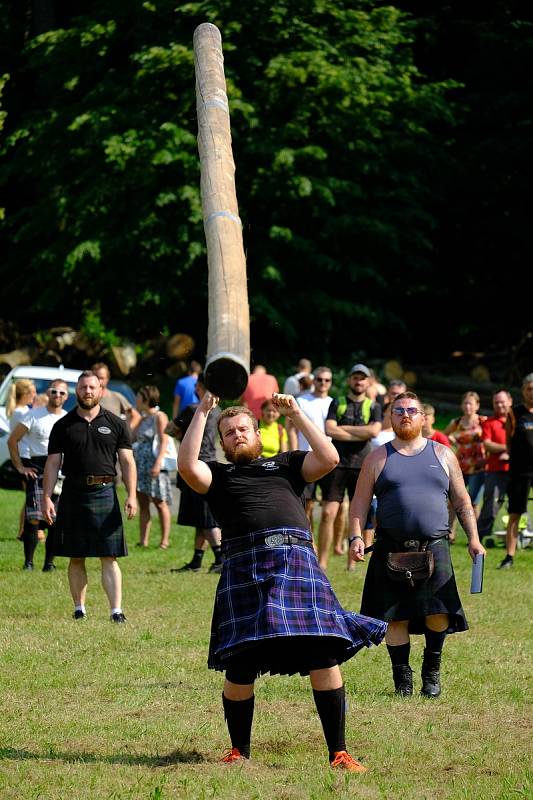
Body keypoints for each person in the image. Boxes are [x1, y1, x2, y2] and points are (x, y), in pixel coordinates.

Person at [178, 392, 387, 771]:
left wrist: (296, 413)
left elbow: (330, 459)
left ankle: (338, 753)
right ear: (222, 443)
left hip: (296, 562)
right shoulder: (220, 475)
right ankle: (239, 751)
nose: (237, 436)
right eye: (228, 433)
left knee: (322, 652)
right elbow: (187, 467)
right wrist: (203, 413)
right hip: (246, 566)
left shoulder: (287, 464)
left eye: (243, 429)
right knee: (240, 661)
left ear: (258, 434)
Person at [349, 392, 485, 698]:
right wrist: (357, 536)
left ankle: (431, 672)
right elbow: (358, 503)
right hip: (390, 547)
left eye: (412, 410)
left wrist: (474, 539)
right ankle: (403, 680)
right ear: (391, 417)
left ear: (423, 418)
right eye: (399, 411)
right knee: (394, 614)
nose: (406, 415)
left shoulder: (443, 454)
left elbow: (462, 501)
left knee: (438, 611)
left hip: (434, 546)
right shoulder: (377, 457)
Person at [42, 371, 137, 622]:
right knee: (76, 555)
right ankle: (78, 608)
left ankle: (116, 611)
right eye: (83, 387)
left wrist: (132, 495)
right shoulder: (63, 425)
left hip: (105, 491)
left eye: (92, 387)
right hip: (73, 492)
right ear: (77, 391)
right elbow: (52, 463)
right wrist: (46, 497)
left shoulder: (116, 423)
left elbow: (127, 462)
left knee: (109, 555)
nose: (88, 391)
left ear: (101, 391)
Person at [318, 363, 382, 570]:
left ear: (368, 382)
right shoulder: (338, 402)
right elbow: (329, 429)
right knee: (328, 512)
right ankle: (322, 562)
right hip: (337, 462)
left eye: (362, 378)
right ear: (349, 380)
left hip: (362, 464)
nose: (359, 381)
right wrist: (359, 431)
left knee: (358, 513)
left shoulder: (374, 406)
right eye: (355, 377)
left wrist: (343, 429)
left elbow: (374, 432)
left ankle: (351, 562)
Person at [8, 379, 68, 571]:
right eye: (54, 392)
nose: (57, 395)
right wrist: (20, 467)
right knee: (33, 517)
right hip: (37, 468)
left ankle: (49, 564)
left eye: (61, 393)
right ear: (48, 393)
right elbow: (12, 440)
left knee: (55, 519)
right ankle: (28, 563)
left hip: (60, 471)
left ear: (66, 396)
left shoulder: (68, 418)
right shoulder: (33, 415)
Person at [167, 374, 223, 574]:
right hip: (212, 464)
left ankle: (221, 557)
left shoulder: (192, 410)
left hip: (194, 465)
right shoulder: (220, 413)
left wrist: (183, 433)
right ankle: (197, 561)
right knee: (202, 517)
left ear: (199, 387)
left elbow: (169, 429)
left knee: (207, 518)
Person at [287, 367, 333, 531]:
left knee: (330, 509)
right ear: (314, 381)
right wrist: (294, 453)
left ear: (331, 383)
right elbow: (291, 429)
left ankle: (331, 549)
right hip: (306, 458)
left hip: (328, 459)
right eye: (319, 379)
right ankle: (309, 543)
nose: (322, 383)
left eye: (327, 380)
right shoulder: (302, 400)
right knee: (307, 505)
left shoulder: (333, 402)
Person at [130, 385, 172, 549]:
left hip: (154, 465)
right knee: (143, 503)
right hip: (140, 465)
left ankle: (164, 541)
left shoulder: (159, 416)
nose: (136, 399)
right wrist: (131, 419)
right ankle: (143, 540)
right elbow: (132, 438)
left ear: (146, 399)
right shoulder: (142, 417)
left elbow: (164, 441)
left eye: (139, 396)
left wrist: (158, 463)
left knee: (159, 502)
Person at [498, 375, 533, 569]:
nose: (532, 392)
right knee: (515, 513)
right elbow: (508, 443)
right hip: (520, 471)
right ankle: (509, 557)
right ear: (523, 391)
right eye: (529, 389)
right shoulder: (514, 413)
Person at [477, 390, 512, 546]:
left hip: (516, 470)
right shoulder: (489, 423)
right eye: (496, 402)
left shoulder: (518, 421)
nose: (499, 405)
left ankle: (523, 536)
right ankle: (480, 537)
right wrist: (509, 448)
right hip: (495, 470)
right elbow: (487, 444)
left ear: (510, 401)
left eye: (502, 401)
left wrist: (510, 453)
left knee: (519, 506)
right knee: (491, 505)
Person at [444, 392, 487, 516]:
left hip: (477, 467)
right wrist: (451, 442)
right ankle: (449, 533)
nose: (468, 406)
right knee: (453, 500)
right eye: (465, 403)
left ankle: (476, 533)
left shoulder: (483, 421)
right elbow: (443, 436)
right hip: (459, 466)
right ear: (462, 405)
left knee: (473, 502)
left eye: (471, 404)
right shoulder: (457, 422)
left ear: (477, 405)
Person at [6, 378, 36, 539]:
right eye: (32, 392)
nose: (35, 395)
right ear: (24, 394)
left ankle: (25, 531)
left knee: (30, 496)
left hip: (25, 455)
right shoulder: (22, 412)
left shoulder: (21, 410)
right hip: (25, 457)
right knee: (31, 496)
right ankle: (25, 531)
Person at [91, 362, 141, 429]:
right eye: (96, 378)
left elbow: (136, 416)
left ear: (107, 379)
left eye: (102, 378)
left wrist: (126, 433)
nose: (99, 381)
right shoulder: (87, 398)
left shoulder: (116, 397)